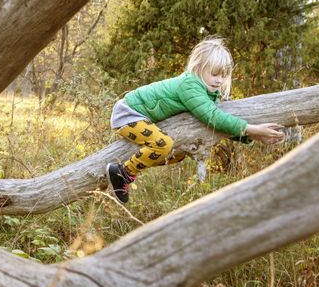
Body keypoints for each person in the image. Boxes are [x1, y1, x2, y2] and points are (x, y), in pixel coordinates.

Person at [105, 37, 285, 203]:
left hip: (143, 118)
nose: (219, 80)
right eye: (214, 74)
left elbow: (213, 126)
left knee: (178, 155)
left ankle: (132, 165)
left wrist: (253, 136)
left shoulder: (206, 92)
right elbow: (213, 118)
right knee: (163, 145)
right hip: (129, 113)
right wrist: (254, 129)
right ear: (198, 67)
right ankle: (123, 173)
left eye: (223, 75)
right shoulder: (190, 85)